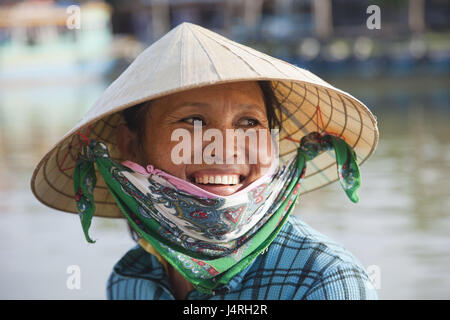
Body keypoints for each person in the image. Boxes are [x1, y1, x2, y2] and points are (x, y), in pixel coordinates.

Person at [30, 23, 379, 300]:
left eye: (248, 123)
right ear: (130, 146)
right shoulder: (131, 280)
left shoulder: (322, 280)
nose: (224, 149)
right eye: (193, 122)